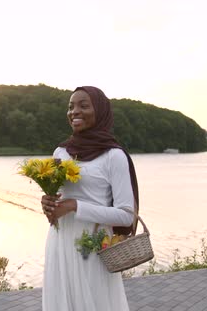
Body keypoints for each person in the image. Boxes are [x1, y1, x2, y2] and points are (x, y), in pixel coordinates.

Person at [40, 86, 139, 311]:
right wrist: (47, 202)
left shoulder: (114, 155)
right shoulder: (60, 152)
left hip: (92, 246)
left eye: (84, 105)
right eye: (71, 106)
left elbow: (126, 215)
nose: (75, 111)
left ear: (101, 111)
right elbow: (59, 197)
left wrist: (75, 206)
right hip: (60, 241)